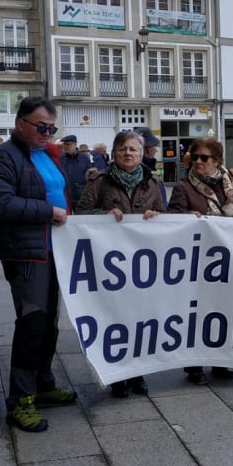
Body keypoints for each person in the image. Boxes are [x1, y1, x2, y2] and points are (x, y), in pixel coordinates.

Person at [0, 96, 76, 433]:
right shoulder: (2, 158)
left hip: (53, 252)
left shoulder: (45, 155)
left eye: (52, 127)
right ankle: (20, 400)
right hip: (26, 254)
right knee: (32, 323)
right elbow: (0, 203)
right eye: (41, 126)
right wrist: (48, 213)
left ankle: (43, 383)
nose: (48, 133)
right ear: (21, 123)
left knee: (49, 321)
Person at [77, 130, 164, 397]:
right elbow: (79, 213)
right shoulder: (99, 181)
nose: (128, 153)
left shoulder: (152, 183)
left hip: (142, 264)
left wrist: (156, 215)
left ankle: (138, 372)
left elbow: (166, 214)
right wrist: (102, 214)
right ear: (114, 153)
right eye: (123, 149)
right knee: (115, 317)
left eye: (134, 150)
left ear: (141, 154)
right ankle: (117, 374)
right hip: (110, 264)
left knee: (140, 318)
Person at [168, 137, 233, 384]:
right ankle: (194, 365)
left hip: (227, 259)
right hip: (198, 260)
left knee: (224, 310)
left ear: (217, 161)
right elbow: (172, 216)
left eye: (204, 158)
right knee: (197, 311)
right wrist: (186, 216)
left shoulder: (232, 185)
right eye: (195, 157)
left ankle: (221, 360)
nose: (198, 162)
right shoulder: (183, 187)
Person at [58, 134, 93, 205]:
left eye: (68, 144)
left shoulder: (84, 159)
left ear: (75, 144)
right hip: (65, 196)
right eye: (64, 144)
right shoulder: (61, 159)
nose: (66, 147)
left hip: (81, 197)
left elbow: (90, 177)